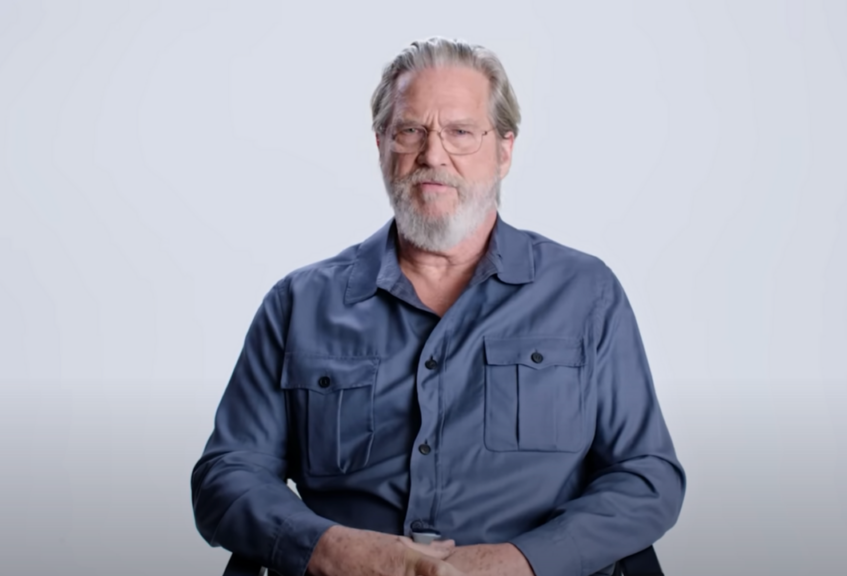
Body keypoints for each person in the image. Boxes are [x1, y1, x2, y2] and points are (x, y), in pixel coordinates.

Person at [191, 36, 686, 576]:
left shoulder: (586, 294)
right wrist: (339, 552)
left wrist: (515, 563)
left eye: (461, 133)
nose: (433, 155)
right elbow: (227, 475)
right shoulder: (299, 303)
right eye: (410, 131)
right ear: (381, 144)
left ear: (504, 150)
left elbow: (646, 476)